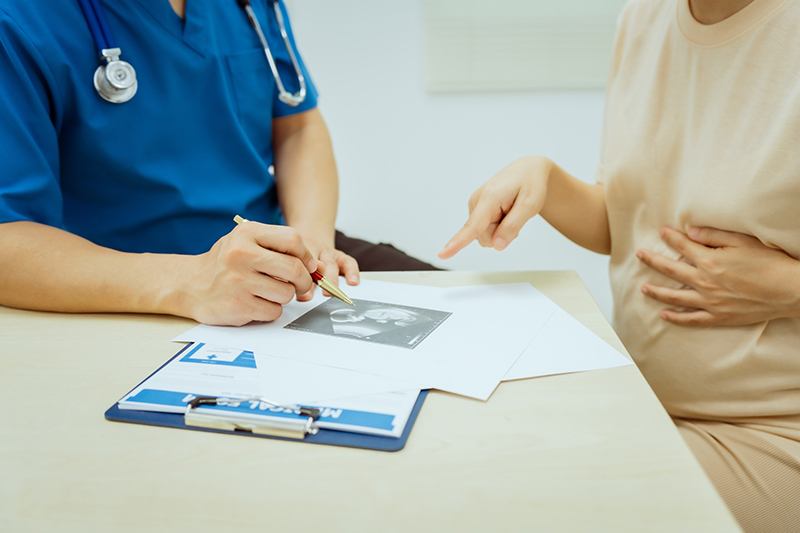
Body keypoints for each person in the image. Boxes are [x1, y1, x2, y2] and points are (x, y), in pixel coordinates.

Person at [438, 0, 800, 530]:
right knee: (472, 459)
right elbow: (629, 220)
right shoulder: (644, 17)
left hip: (775, 429)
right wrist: (545, 179)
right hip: (640, 397)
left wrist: (789, 286)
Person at [0, 0, 436, 328]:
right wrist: (188, 280)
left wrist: (312, 237)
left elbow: (298, 126)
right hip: (126, 286)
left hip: (276, 254)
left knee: (470, 319)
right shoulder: (21, 18)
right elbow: (8, 242)